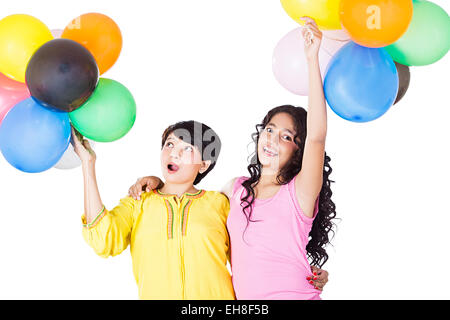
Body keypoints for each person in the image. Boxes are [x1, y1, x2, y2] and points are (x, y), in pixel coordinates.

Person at [128, 17, 335, 299]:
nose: (273, 139)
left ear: (298, 150)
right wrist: (154, 180)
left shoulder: (299, 192)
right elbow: (191, 196)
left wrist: (312, 59)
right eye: (270, 130)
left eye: (287, 137)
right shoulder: (235, 190)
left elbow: (317, 137)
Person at [72, 120, 235, 300]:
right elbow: (102, 240)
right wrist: (88, 164)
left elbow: (249, 261)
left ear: (203, 164)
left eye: (188, 148)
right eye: (170, 144)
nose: (174, 153)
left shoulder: (221, 204)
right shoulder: (138, 201)